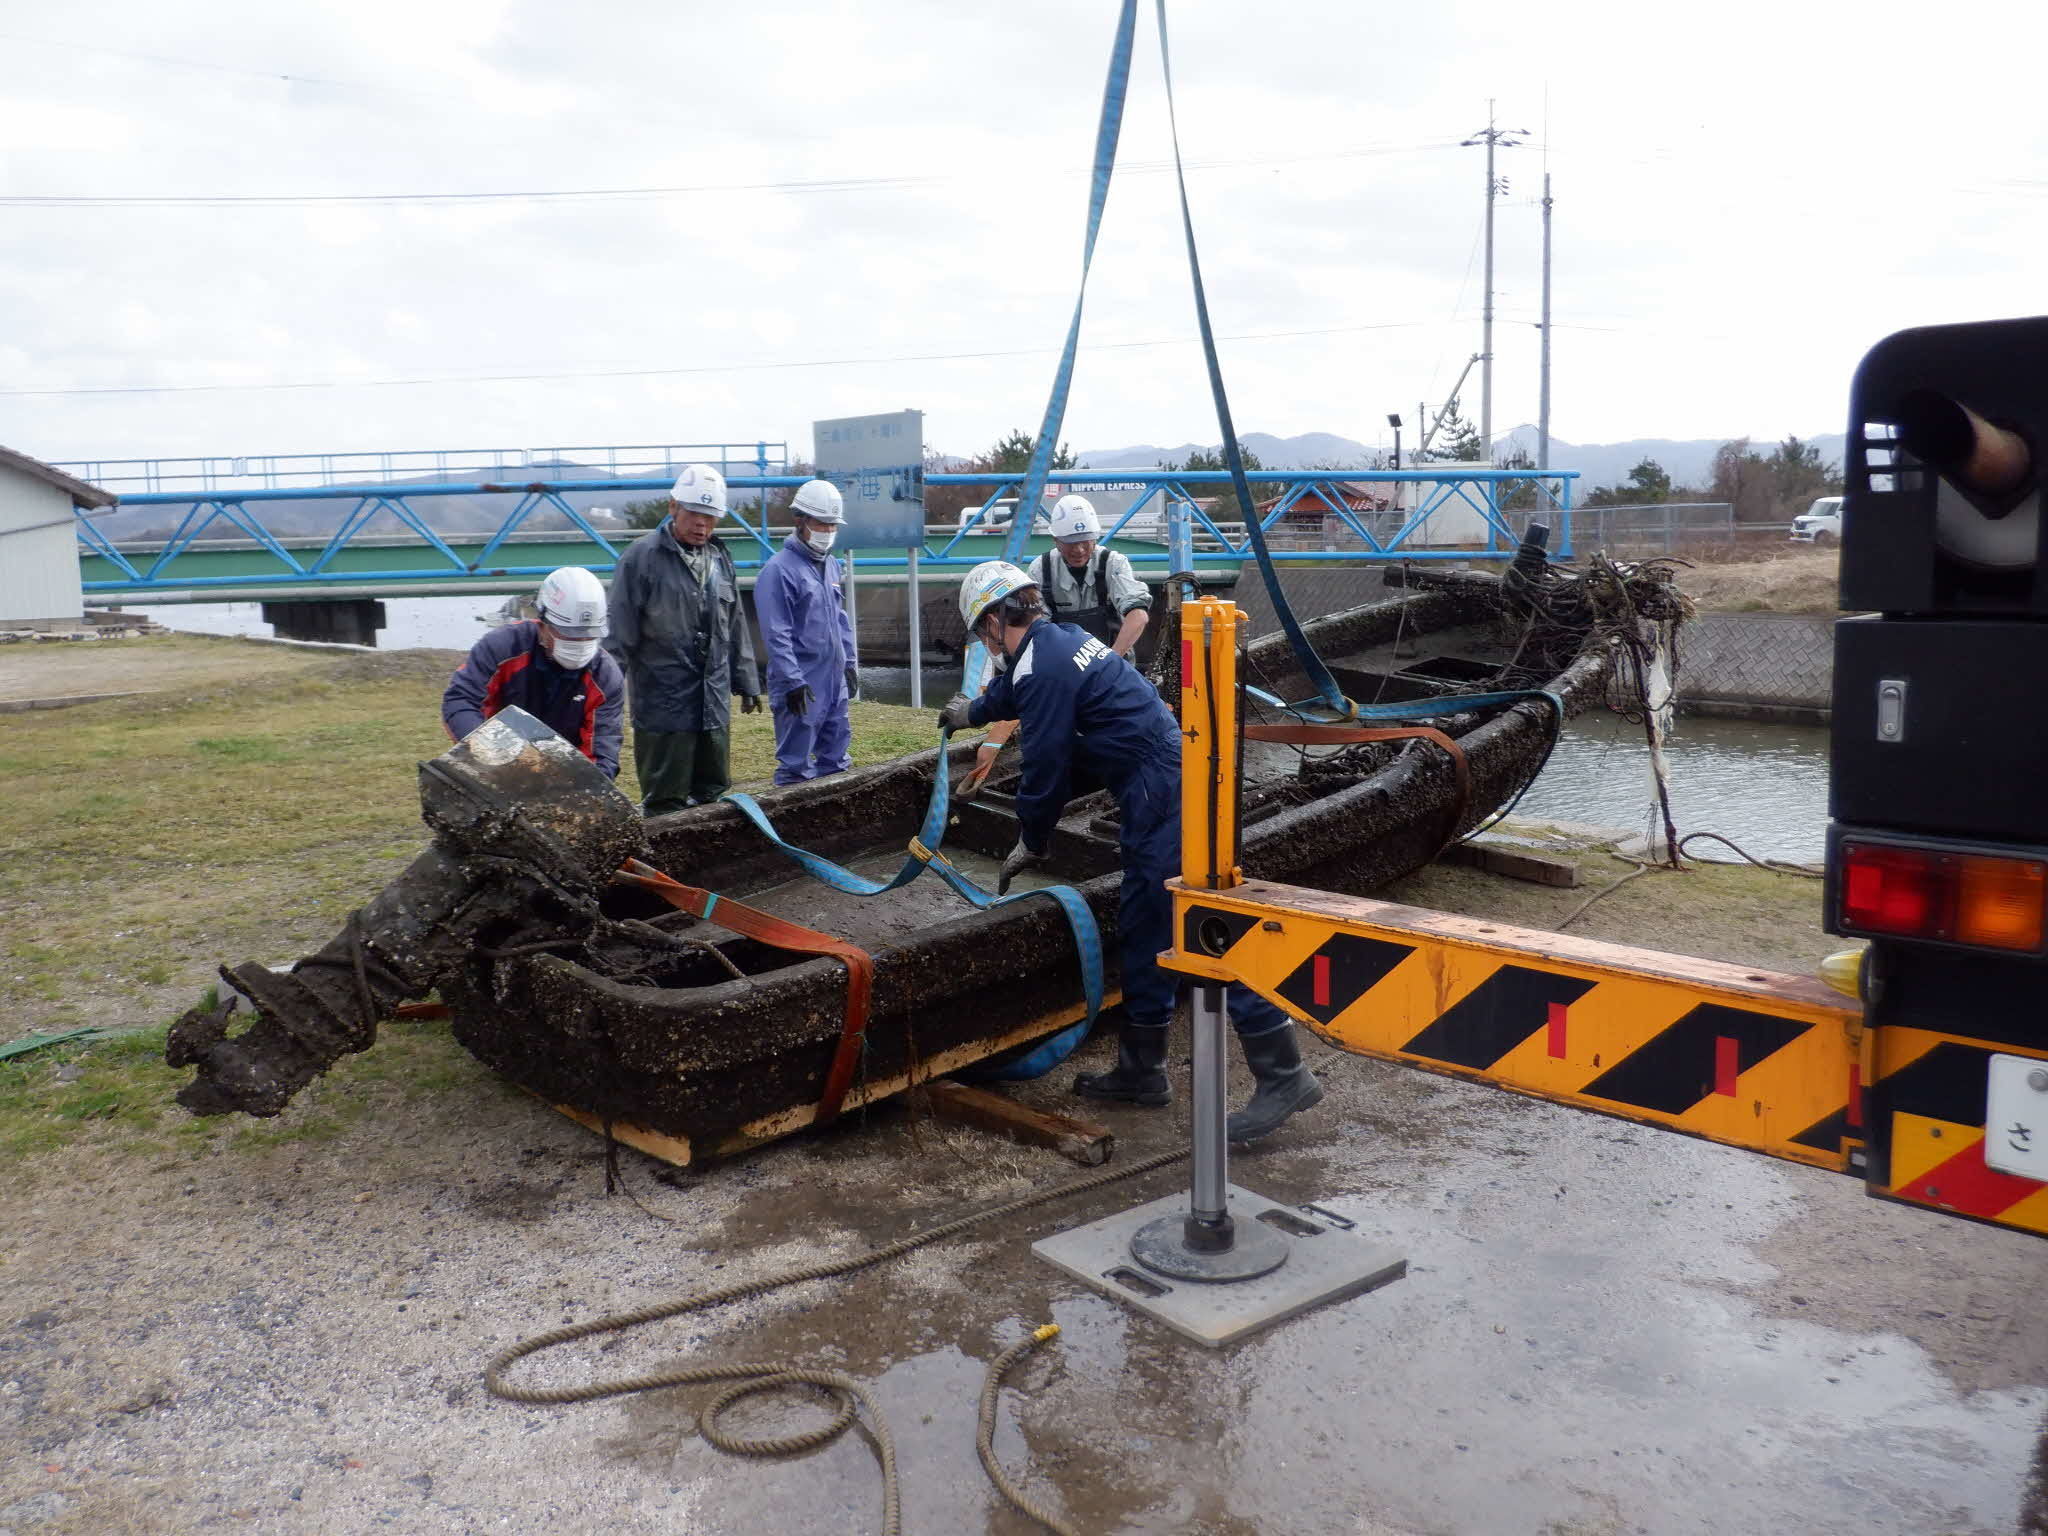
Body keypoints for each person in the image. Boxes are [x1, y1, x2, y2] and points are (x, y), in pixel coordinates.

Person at [937, 561, 1322, 1143]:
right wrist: (973, 711)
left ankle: (1284, 1072)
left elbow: (1043, 771)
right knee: (1144, 923)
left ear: (993, 620)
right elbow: (1015, 689)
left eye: (981, 630)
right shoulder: (1058, 639)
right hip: (1154, 784)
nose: (984, 641)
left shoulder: (1043, 666)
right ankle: (1144, 1070)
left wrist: (1032, 839)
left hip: (1163, 786)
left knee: (1195, 923)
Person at [606, 464, 764, 815]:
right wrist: (605, 695)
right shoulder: (640, 558)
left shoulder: (721, 557)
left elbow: (734, 621)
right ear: (673, 507)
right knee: (666, 801)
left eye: (710, 516)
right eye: (693, 513)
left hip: (714, 701)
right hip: (663, 705)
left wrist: (747, 679)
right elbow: (619, 634)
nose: (701, 524)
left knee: (714, 793)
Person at [441, 566, 624, 776]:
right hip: (492, 759)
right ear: (543, 623)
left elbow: (602, 747)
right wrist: (486, 751)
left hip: (563, 773)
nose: (580, 643)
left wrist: (586, 788)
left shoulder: (605, 677)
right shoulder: (503, 647)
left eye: (589, 636)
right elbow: (461, 700)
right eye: (569, 635)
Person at [754, 479, 858, 785]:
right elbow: (777, 633)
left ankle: (835, 814)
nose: (827, 532)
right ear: (800, 519)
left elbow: (840, 619)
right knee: (795, 765)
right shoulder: (778, 571)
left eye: (832, 525)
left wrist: (849, 663)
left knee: (836, 757)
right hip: (801, 683)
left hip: (833, 677)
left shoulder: (831, 566)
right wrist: (792, 681)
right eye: (821, 524)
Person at [1029, 494, 1151, 656]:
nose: (1079, 550)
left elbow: (1138, 616)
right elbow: (1034, 626)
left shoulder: (1113, 563)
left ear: (1095, 538)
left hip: (1112, 658)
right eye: (1071, 542)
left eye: (1085, 540)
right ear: (1056, 540)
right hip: (1061, 661)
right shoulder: (1040, 569)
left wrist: (1111, 659)